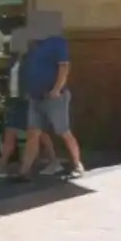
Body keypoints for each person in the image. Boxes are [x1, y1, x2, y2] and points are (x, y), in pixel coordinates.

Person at [18, 10, 85, 179]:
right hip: (35, 96)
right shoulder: (33, 45)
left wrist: (56, 89)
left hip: (54, 96)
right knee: (33, 133)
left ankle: (77, 164)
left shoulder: (57, 42)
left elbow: (64, 66)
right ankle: (24, 171)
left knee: (63, 131)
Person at [0, 30, 54, 179]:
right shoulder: (14, 59)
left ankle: (26, 170)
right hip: (14, 99)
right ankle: (1, 166)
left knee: (34, 134)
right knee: (10, 134)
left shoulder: (34, 58)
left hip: (30, 99)